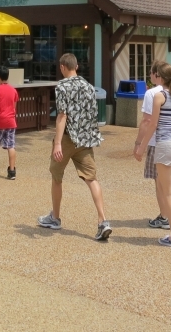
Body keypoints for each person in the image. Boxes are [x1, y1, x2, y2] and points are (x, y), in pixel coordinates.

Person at [38, 53, 111, 241]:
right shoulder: (88, 86)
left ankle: (55, 217)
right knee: (91, 178)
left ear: (62, 67)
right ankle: (102, 220)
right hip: (85, 139)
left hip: (68, 138)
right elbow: (92, 113)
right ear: (76, 67)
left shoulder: (62, 86)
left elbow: (62, 115)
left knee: (57, 177)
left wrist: (57, 143)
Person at [133, 62, 171, 247]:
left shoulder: (159, 96)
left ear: (160, 77)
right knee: (168, 186)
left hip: (165, 145)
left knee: (167, 192)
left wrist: (141, 147)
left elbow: (153, 124)